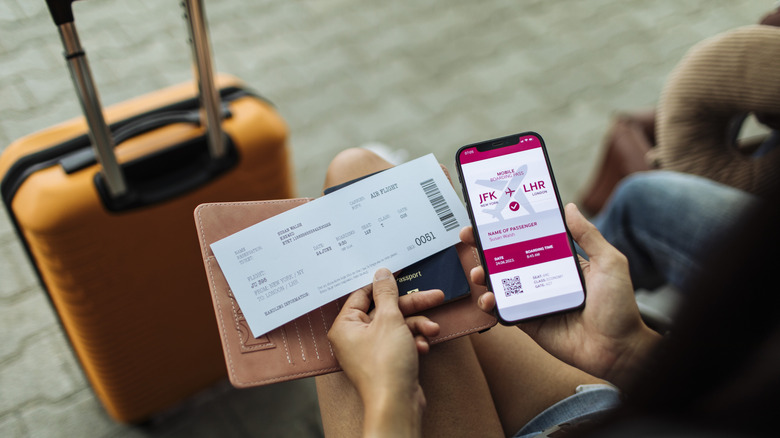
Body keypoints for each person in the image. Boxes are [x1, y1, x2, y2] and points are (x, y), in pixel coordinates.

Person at [316, 148, 780, 437]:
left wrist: (389, 399)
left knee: (336, 279)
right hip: (592, 411)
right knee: (359, 171)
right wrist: (625, 351)